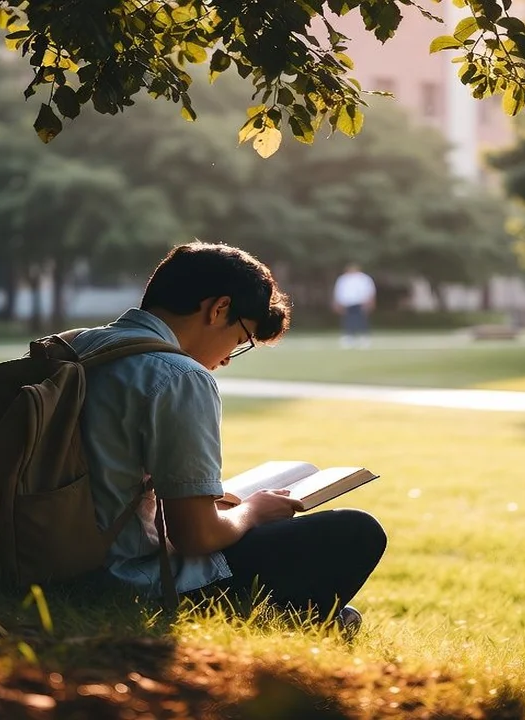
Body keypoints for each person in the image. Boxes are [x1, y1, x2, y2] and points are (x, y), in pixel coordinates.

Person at [69, 242, 386, 632]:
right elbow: (196, 536)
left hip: (53, 554)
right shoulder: (179, 376)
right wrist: (253, 511)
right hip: (127, 576)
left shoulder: (76, 345)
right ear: (218, 309)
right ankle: (298, 620)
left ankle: (304, 618)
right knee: (355, 532)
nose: (222, 361)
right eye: (239, 341)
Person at [332, 263, 376, 349]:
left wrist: (369, 301)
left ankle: (364, 337)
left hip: (360, 302)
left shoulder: (364, 278)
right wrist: (337, 303)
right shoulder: (343, 279)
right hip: (347, 302)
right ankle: (349, 337)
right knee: (348, 320)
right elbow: (338, 291)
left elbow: (370, 290)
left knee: (361, 319)